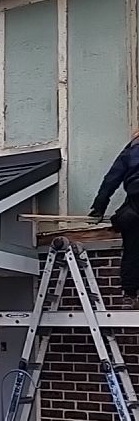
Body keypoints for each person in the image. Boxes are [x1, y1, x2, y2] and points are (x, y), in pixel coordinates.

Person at [89, 130, 139, 306]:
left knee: (132, 251)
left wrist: (98, 207)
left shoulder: (131, 150)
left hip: (135, 208)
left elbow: (111, 180)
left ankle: (130, 294)